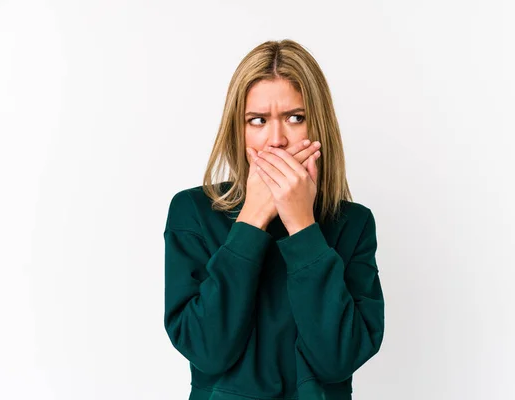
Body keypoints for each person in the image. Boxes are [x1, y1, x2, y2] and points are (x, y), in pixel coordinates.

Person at [163, 39, 385, 400]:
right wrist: (250, 221)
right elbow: (206, 350)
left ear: (319, 126)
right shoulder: (193, 212)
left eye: (296, 118)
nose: (276, 140)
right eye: (258, 120)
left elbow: (338, 360)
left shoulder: (353, 223)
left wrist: (302, 228)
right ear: (239, 128)